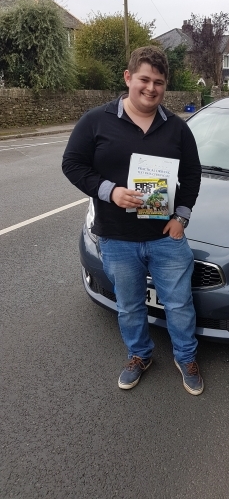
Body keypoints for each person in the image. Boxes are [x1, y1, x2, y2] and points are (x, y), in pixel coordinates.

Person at [62, 46, 203, 395]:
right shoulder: (96, 121)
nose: (151, 88)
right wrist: (109, 191)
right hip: (117, 237)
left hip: (164, 237)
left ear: (165, 85)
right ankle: (140, 355)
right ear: (128, 78)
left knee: (180, 304)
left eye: (159, 82)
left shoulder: (178, 130)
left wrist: (181, 218)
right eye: (144, 79)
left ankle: (186, 357)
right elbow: (73, 164)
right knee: (129, 306)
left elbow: (193, 175)